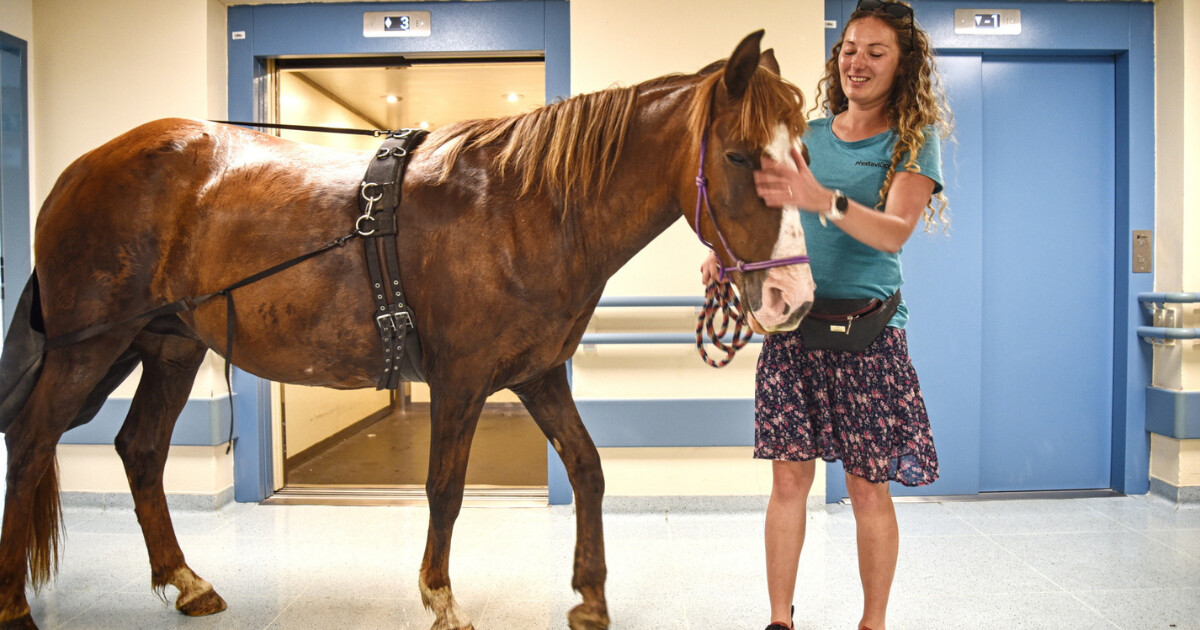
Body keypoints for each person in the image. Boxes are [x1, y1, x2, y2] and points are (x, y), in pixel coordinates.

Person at [701, 2, 950, 629]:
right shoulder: (805, 135)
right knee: (789, 483)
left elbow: (894, 232)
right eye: (849, 49)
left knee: (868, 487)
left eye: (875, 51)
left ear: (902, 65)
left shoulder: (913, 141)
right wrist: (719, 255)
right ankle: (780, 621)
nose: (857, 62)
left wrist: (824, 199)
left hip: (870, 337)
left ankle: (873, 623)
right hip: (794, 332)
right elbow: (763, 215)